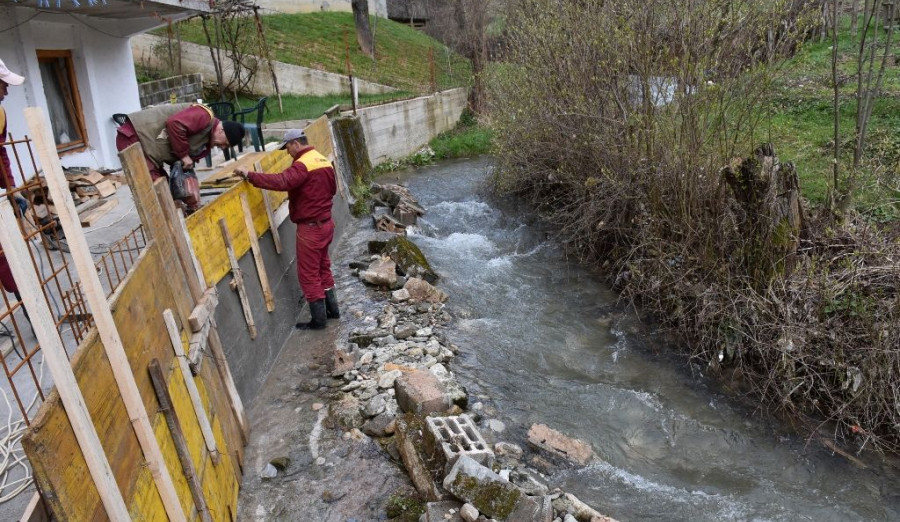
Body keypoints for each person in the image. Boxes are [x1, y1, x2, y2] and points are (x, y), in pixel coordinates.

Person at [234, 129, 340, 330]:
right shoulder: (321, 159)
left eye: (287, 148)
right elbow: (332, 190)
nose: (287, 153)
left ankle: (319, 321)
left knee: (308, 274)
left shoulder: (302, 165)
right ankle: (333, 311)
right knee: (323, 267)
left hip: (311, 228)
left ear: (295, 144)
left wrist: (251, 175)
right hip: (327, 224)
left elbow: (281, 181)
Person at [115, 102, 245, 212]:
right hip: (132, 137)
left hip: (147, 147)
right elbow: (175, 123)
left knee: (164, 188)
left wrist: (191, 200)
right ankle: (163, 230)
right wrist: (184, 155)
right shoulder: (205, 115)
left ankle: (173, 222)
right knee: (155, 191)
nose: (222, 147)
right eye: (225, 143)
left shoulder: (205, 142)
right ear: (221, 131)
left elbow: (180, 171)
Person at [0, 58, 25, 300]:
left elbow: (1, 153)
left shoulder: (0, 113)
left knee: (7, 255)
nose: (7, 90)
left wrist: (12, 188)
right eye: (3, 85)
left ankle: (27, 301)